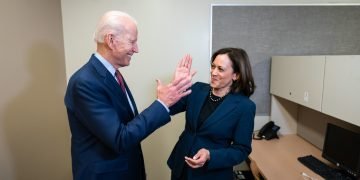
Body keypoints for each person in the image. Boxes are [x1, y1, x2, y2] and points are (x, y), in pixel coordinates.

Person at [64, 11, 194, 180]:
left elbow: (128, 125)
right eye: (132, 41)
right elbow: (120, 138)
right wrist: (161, 103)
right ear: (111, 40)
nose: (136, 49)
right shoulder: (85, 82)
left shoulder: (111, 74)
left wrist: (170, 96)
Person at [167, 47, 256, 180]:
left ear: (235, 75)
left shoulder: (245, 107)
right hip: (181, 166)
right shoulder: (197, 89)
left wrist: (210, 155)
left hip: (211, 174)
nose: (213, 72)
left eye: (220, 69)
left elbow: (241, 150)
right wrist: (177, 85)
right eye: (213, 66)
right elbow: (169, 109)